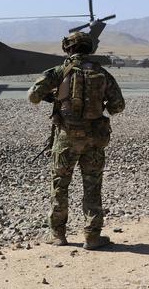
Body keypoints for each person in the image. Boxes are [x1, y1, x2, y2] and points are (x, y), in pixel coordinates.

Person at [27, 31, 125, 249]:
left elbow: (33, 96)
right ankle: (92, 236)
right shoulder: (103, 74)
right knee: (92, 185)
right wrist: (99, 107)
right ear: (89, 48)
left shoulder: (60, 71)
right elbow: (118, 106)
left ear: (67, 48)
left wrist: (52, 97)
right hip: (95, 140)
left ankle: (58, 234)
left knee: (60, 186)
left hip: (66, 138)